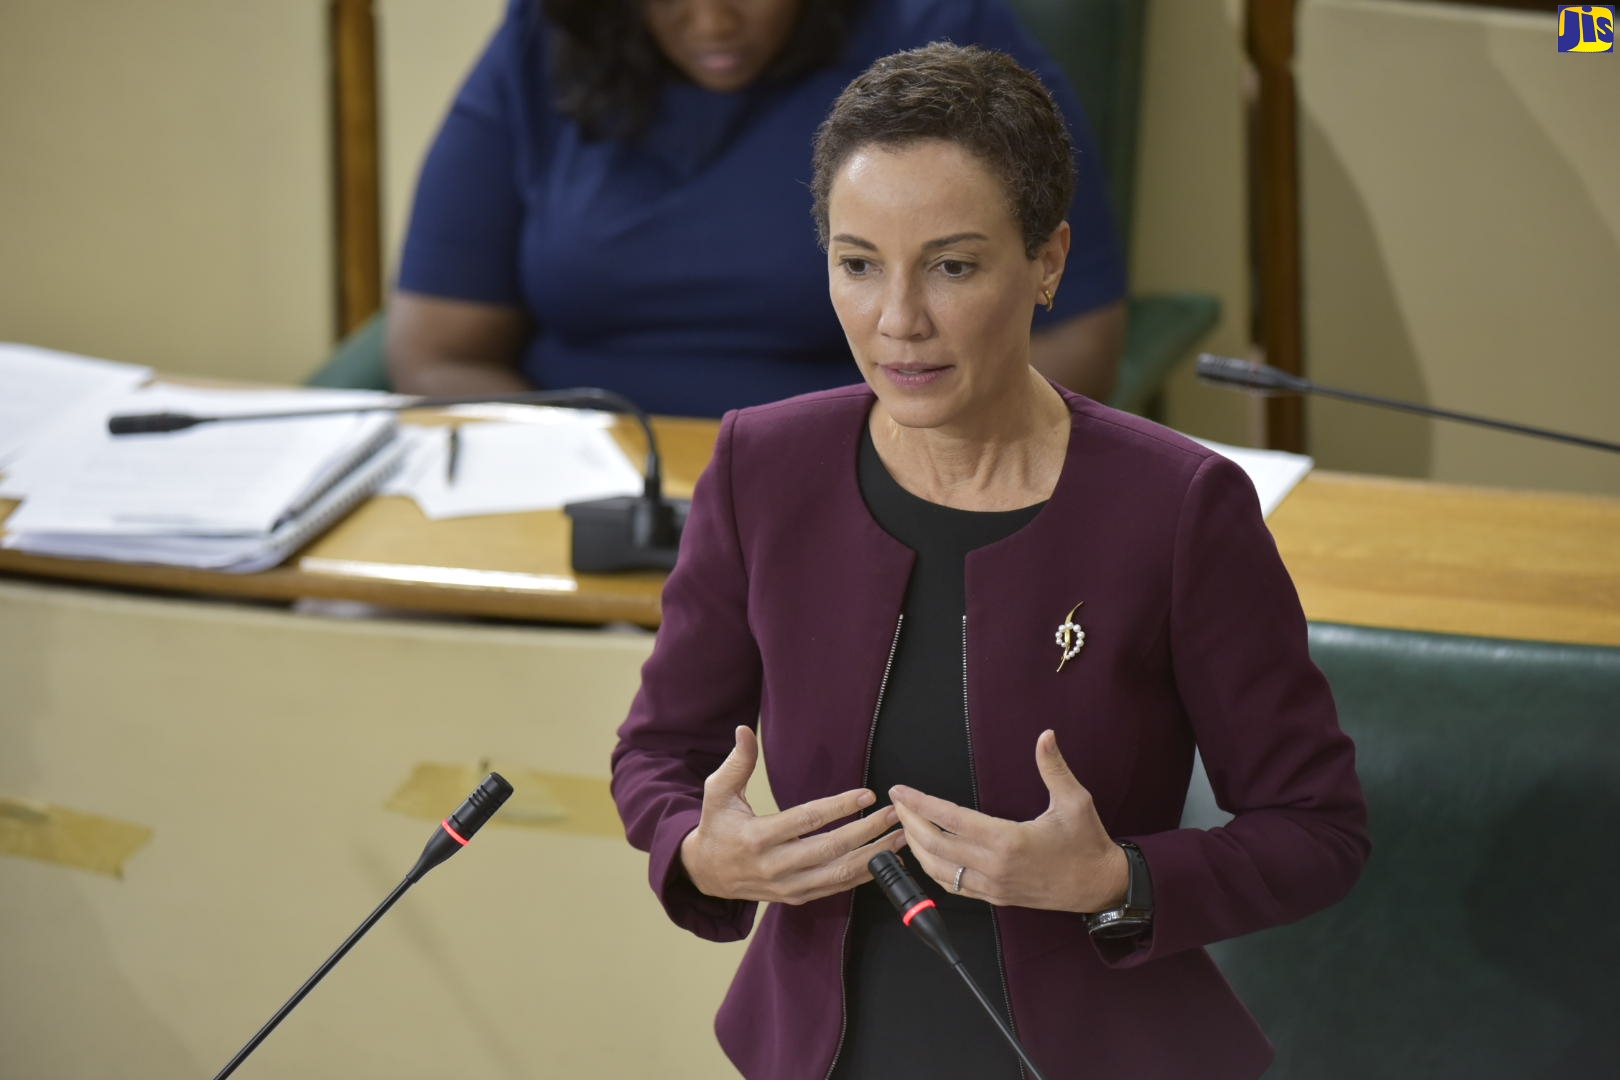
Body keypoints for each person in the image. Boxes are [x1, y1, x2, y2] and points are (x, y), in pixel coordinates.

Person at [610, 42, 1368, 1080]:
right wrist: (701, 853)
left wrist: (1116, 879)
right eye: (858, 263)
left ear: (1048, 263)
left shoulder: (1179, 507)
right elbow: (658, 754)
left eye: (952, 266)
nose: (898, 321)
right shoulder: (761, 468)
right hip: (821, 1056)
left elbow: (1318, 830)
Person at [387, 0, 1126, 417]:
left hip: (864, 487)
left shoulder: (940, 39)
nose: (713, 23)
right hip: (579, 498)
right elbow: (438, 351)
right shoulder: (547, 37)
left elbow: (1076, 334)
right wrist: (588, 471)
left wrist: (897, 476)